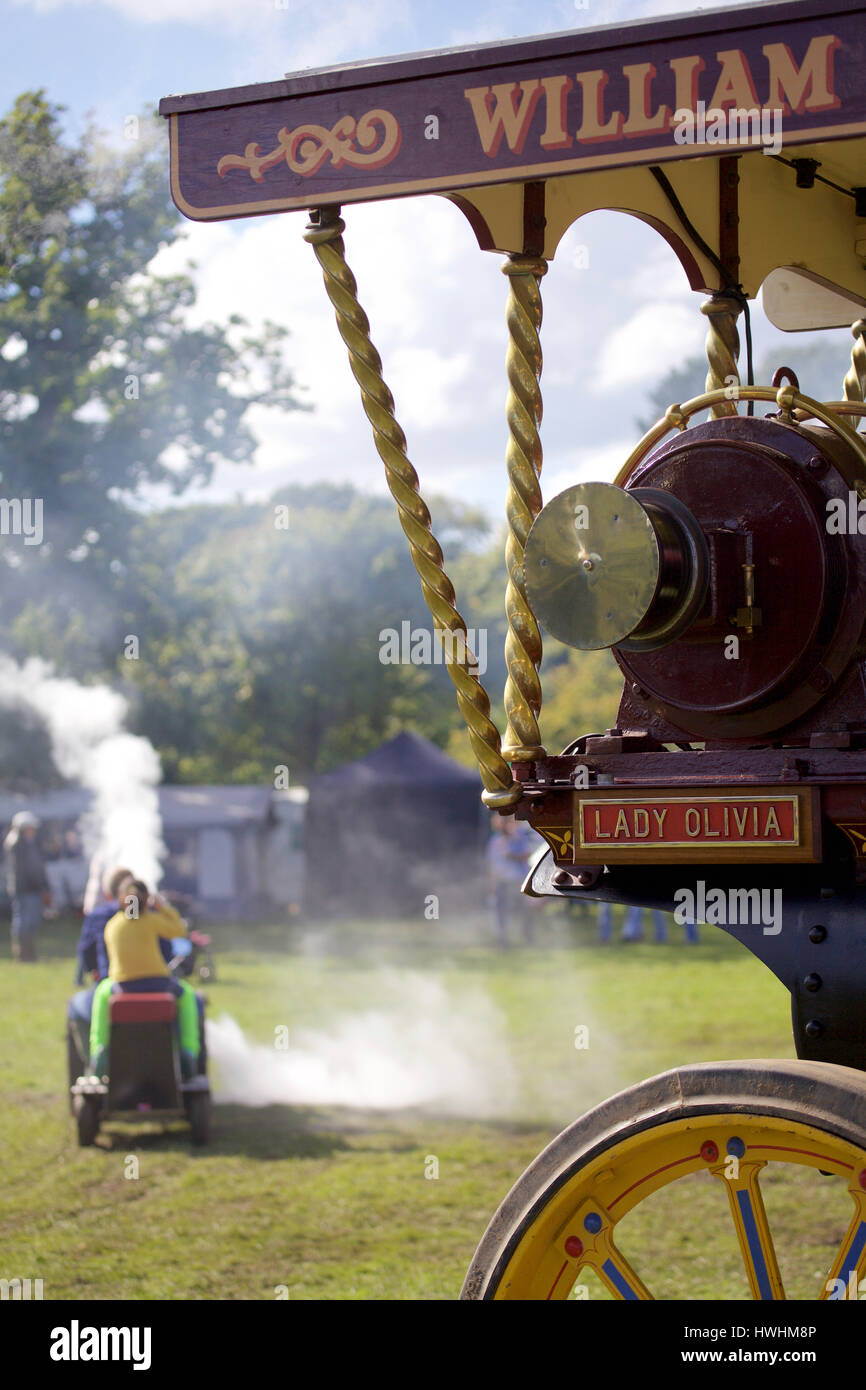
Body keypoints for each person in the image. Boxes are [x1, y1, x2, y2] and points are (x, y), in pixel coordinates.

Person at [88, 879, 201, 1080]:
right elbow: (179, 931)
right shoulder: (151, 920)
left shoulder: (113, 925)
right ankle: (188, 1051)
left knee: (101, 994)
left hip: (123, 988)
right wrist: (163, 907)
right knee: (188, 996)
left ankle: (100, 1051)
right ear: (146, 900)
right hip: (159, 985)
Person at [4, 811, 50, 962]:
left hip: (31, 888)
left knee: (31, 922)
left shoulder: (28, 843)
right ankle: (22, 954)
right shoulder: (17, 844)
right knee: (23, 922)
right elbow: (25, 869)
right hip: (24, 889)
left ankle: (28, 953)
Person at [486, 815, 533, 947]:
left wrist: (512, 855)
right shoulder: (494, 841)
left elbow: (527, 855)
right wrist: (492, 884)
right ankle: (502, 940)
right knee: (501, 912)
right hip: (502, 882)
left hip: (517, 880)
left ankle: (527, 938)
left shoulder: (519, 837)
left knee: (524, 911)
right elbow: (492, 864)